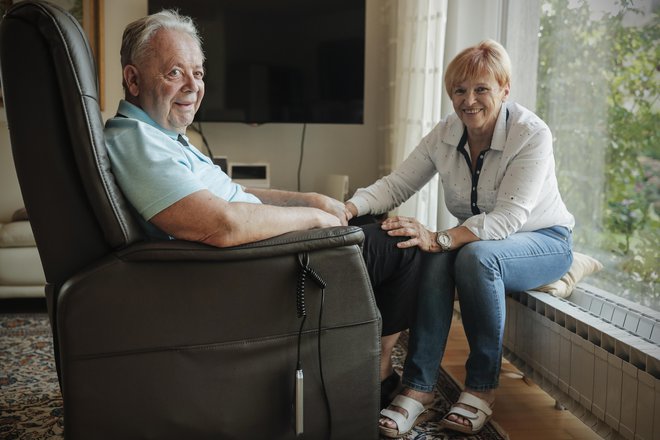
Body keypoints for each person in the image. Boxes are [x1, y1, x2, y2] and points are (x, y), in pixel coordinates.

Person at [103, 9, 421, 410]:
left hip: (260, 256)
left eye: (198, 74)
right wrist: (314, 219)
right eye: (174, 73)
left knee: (374, 223)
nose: (193, 87)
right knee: (403, 244)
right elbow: (222, 224)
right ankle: (378, 374)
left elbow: (234, 193)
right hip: (257, 273)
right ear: (133, 79)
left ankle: (360, 359)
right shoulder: (138, 142)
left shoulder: (163, 136)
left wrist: (309, 200)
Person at [344, 39, 575, 437]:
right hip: (484, 239)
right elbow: (398, 184)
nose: (469, 101)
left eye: (481, 89)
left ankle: (481, 389)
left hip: (543, 240)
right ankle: (418, 389)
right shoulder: (447, 132)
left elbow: (510, 218)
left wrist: (441, 237)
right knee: (432, 254)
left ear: (504, 89)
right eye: (459, 91)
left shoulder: (531, 134)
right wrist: (347, 209)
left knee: (472, 256)